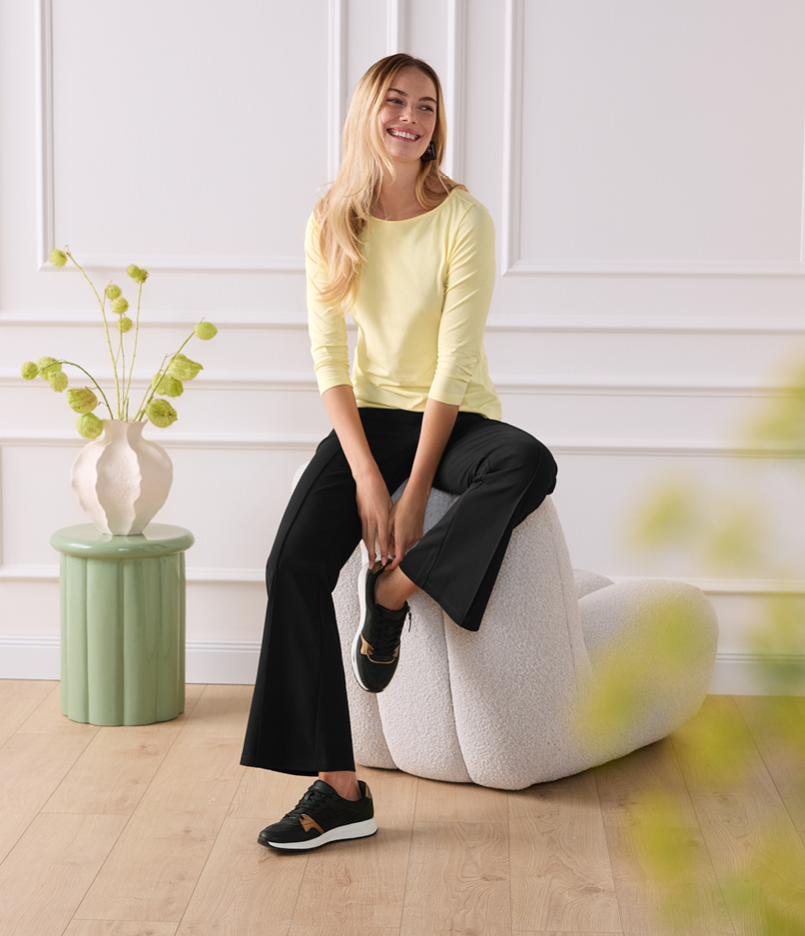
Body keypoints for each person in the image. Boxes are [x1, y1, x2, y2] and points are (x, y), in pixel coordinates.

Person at [240, 54, 557, 850]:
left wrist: (413, 493)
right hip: (370, 417)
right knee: (290, 566)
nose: (411, 118)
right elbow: (328, 360)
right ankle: (340, 791)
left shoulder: (463, 218)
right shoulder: (330, 220)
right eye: (395, 102)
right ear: (368, 113)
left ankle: (390, 597)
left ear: (437, 124)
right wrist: (364, 476)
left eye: (426, 106)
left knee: (527, 462)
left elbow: (455, 362)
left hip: (456, 418)